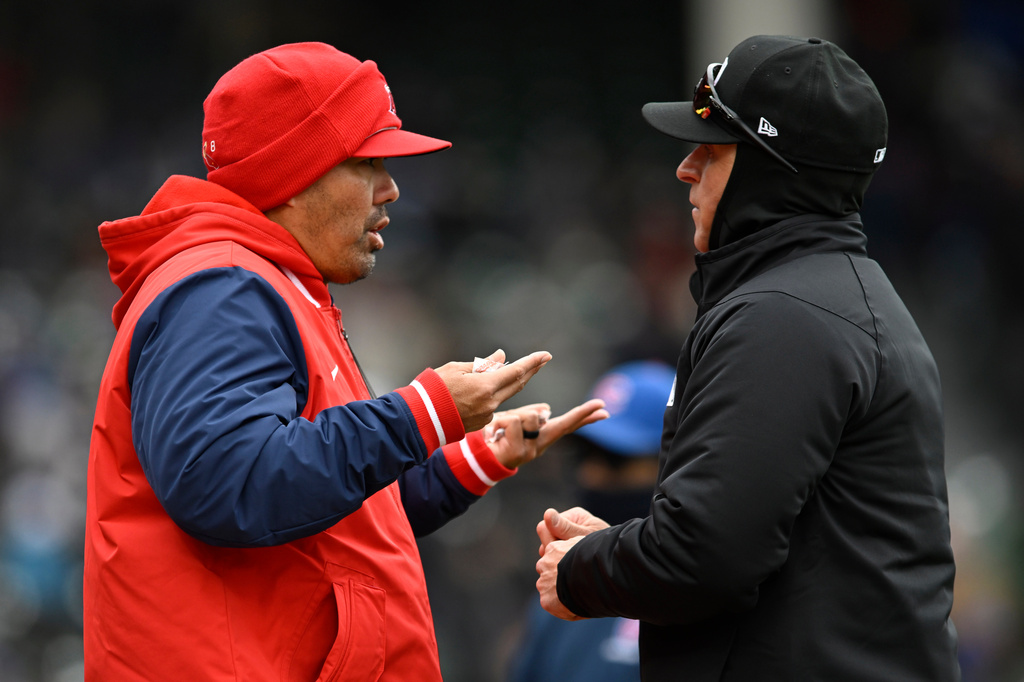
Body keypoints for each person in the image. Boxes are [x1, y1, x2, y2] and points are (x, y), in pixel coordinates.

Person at [84, 42, 607, 682]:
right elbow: (228, 484)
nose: (391, 189)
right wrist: (425, 411)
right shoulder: (220, 287)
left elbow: (339, 523)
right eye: (366, 162)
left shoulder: (266, 282)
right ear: (293, 173)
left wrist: (476, 454)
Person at [535, 35, 960, 681]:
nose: (685, 169)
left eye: (711, 150)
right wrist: (613, 547)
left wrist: (582, 571)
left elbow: (704, 558)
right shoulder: (821, 297)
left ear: (768, 170)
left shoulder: (786, 315)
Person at [508, 360, 674, 682]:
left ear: (671, 464)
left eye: (615, 460)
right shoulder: (562, 584)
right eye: (584, 457)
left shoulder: (701, 593)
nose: (591, 476)